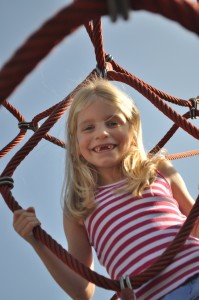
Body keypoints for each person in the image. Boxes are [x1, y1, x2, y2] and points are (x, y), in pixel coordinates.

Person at [13, 77, 199, 300]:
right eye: (89, 127)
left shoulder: (156, 169)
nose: (101, 133)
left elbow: (194, 222)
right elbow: (83, 290)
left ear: (132, 129)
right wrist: (36, 242)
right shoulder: (79, 206)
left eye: (112, 123)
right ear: (75, 142)